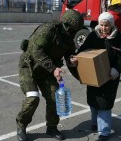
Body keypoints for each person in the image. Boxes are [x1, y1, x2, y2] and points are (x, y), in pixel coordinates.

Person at [16, 9, 84, 141]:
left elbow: (69, 56)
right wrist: (53, 69)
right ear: (65, 24)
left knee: (54, 97)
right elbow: (36, 51)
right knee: (33, 98)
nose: (72, 33)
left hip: (46, 72)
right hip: (29, 68)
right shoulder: (48, 30)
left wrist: (73, 64)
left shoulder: (69, 39)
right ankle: (21, 125)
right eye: (71, 30)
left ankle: (52, 127)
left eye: (75, 31)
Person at [71, 12, 121, 141]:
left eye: (106, 26)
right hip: (94, 76)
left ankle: (104, 131)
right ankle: (95, 122)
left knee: (105, 103)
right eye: (101, 25)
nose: (103, 28)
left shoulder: (117, 37)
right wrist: (75, 59)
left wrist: (116, 70)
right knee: (94, 101)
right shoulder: (93, 36)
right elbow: (82, 52)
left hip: (110, 77)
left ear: (111, 25)